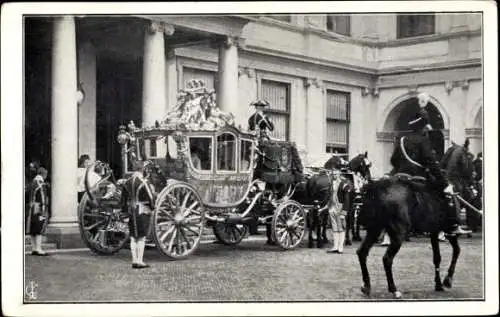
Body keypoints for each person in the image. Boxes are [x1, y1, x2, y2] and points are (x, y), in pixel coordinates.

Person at [390, 92, 471, 236]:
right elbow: (432, 164)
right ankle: (452, 225)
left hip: (400, 175)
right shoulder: (423, 140)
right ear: (423, 126)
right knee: (447, 195)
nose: (427, 130)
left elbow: (393, 160)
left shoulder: (401, 139)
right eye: (427, 127)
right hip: (417, 178)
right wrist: (445, 183)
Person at [25, 162, 50, 256]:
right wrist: (44, 209)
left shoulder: (33, 181)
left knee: (32, 229)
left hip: (32, 207)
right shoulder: (40, 182)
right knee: (39, 228)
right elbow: (43, 196)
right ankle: (39, 249)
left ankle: (34, 248)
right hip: (39, 207)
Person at [325, 170, 348, 254]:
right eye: (333, 174)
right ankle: (335, 246)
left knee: (341, 227)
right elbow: (329, 196)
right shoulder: (331, 184)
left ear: (339, 175)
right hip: (332, 207)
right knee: (334, 227)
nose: (334, 175)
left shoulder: (344, 184)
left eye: (336, 174)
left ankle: (340, 247)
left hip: (340, 207)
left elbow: (346, 199)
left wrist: (344, 212)